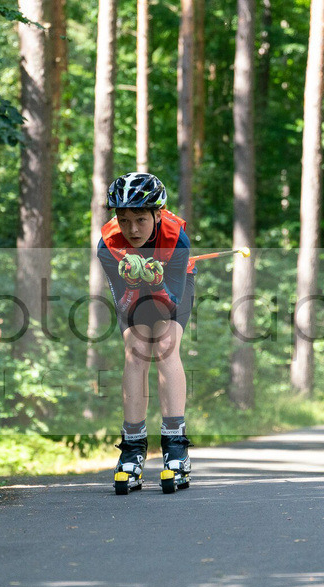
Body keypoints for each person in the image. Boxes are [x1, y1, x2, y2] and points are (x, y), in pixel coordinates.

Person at [97, 172, 195, 494]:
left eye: (141, 219)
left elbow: (173, 300)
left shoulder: (176, 239)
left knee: (165, 344)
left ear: (157, 214)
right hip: (133, 292)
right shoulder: (108, 245)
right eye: (124, 220)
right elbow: (124, 305)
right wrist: (135, 281)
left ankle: (175, 446)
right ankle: (133, 447)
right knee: (137, 348)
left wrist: (156, 282)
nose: (132, 229)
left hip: (171, 287)